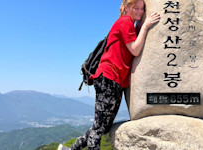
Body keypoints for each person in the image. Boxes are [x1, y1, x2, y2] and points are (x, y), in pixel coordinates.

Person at [57, 0, 160, 149]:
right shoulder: (125, 22)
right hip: (109, 78)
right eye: (136, 8)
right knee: (99, 128)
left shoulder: (126, 23)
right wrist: (145, 25)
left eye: (142, 8)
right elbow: (135, 50)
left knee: (102, 127)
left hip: (113, 79)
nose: (140, 11)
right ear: (126, 7)